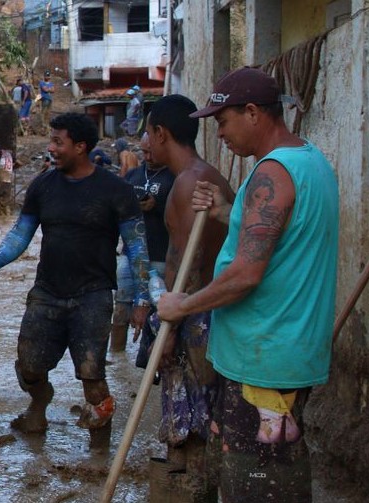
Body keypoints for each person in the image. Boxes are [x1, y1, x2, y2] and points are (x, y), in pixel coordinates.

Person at [158, 67, 339, 502]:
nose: (218, 133)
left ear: (254, 113)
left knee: (256, 482)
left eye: (222, 120)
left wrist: (183, 305)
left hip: (264, 359)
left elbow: (245, 274)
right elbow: (278, 236)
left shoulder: (271, 174)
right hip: (282, 353)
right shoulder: (309, 160)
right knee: (274, 468)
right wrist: (226, 211)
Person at [0, 113, 151, 452]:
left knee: (93, 378)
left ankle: (98, 452)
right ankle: (39, 404)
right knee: (29, 366)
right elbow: (21, 233)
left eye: (57, 142)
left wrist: (141, 299)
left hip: (93, 297)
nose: (51, 149)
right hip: (47, 293)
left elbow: (136, 247)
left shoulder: (116, 191)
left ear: (80, 147)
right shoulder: (43, 186)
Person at [144, 94, 236, 496]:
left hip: (192, 316)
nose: (145, 144)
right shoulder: (213, 177)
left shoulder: (187, 183)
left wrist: (172, 329)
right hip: (212, 313)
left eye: (148, 134)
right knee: (204, 417)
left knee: (194, 419)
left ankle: (194, 490)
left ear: (161, 133)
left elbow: (187, 265)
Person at [110, 132, 174, 354]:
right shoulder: (133, 176)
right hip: (129, 255)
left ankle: (155, 358)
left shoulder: (175, 177)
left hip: (161, 256)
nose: (147, 156)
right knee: (121, 309)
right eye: (144, 151)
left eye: (151, 151)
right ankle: (116, 359)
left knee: (160, 313)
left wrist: (157, 206)